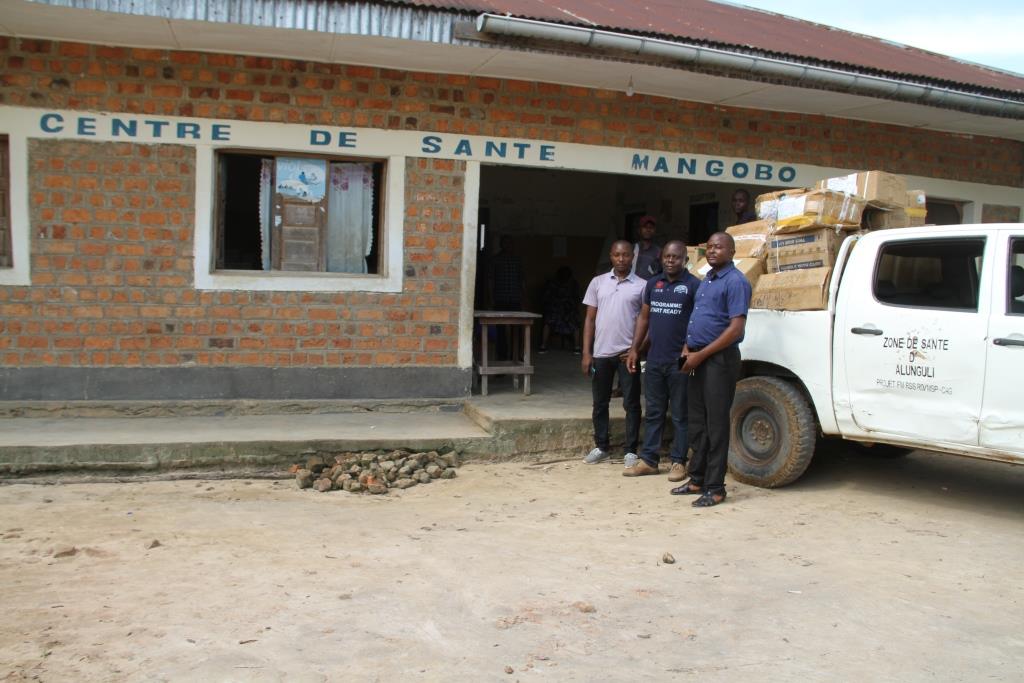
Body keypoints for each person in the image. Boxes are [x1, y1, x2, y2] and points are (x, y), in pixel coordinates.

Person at [673, 232, 752, 507]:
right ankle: (697, 479)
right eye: (709, 247)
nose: (712, 251)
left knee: (716, 424)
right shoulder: (706, 279)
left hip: (719, 360)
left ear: (731, 251)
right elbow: (698, 320)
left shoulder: (736, 282)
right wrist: (687, 348)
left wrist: (701, 354)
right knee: (697, 421)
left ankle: (716, 487)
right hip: (696, 357)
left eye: (719, 247)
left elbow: (735, 329)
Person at [624, 241, 701, 480]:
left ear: (685, 260)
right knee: (654, 411)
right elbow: (644, 319)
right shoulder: (652, 284)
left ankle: (679, 462)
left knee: (679, 413)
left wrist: (690, 348)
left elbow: (698, 320)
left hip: (679, 360)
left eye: (676, 257)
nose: (670, 261)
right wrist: (635, 349)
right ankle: (649, 460)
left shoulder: (693, 286)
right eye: (667, 256)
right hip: (655, 359)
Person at [580, 241, 646, 465]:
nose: (621, 259)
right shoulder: (598, 283)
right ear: (611, 256)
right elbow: (589, 320)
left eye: (626, 255)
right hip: (601, 353)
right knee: (600, 402)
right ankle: (601, 446)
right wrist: (587, 353)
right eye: (617, 255)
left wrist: (636, 349)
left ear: (632, 257)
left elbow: (647, 322)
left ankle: (630, 450)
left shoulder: (642, 285)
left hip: (627, 355)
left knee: (631, 403)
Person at [539, 266, 581, 353]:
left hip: (560, 313)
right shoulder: (571, 284)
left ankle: (543, 346)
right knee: (575, 324)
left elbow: (545, 298)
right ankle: (577, 347)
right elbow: (577, 299)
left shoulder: (570, 284)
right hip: (562, 313)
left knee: (548, 322)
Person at [631, 215, 663, 279]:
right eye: (645, 227)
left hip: (649, 287)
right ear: (639, 230)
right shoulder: (632, 248)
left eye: (651, 227)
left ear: (655, 231)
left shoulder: (659, 252)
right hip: (631, 286)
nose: (648, 230)